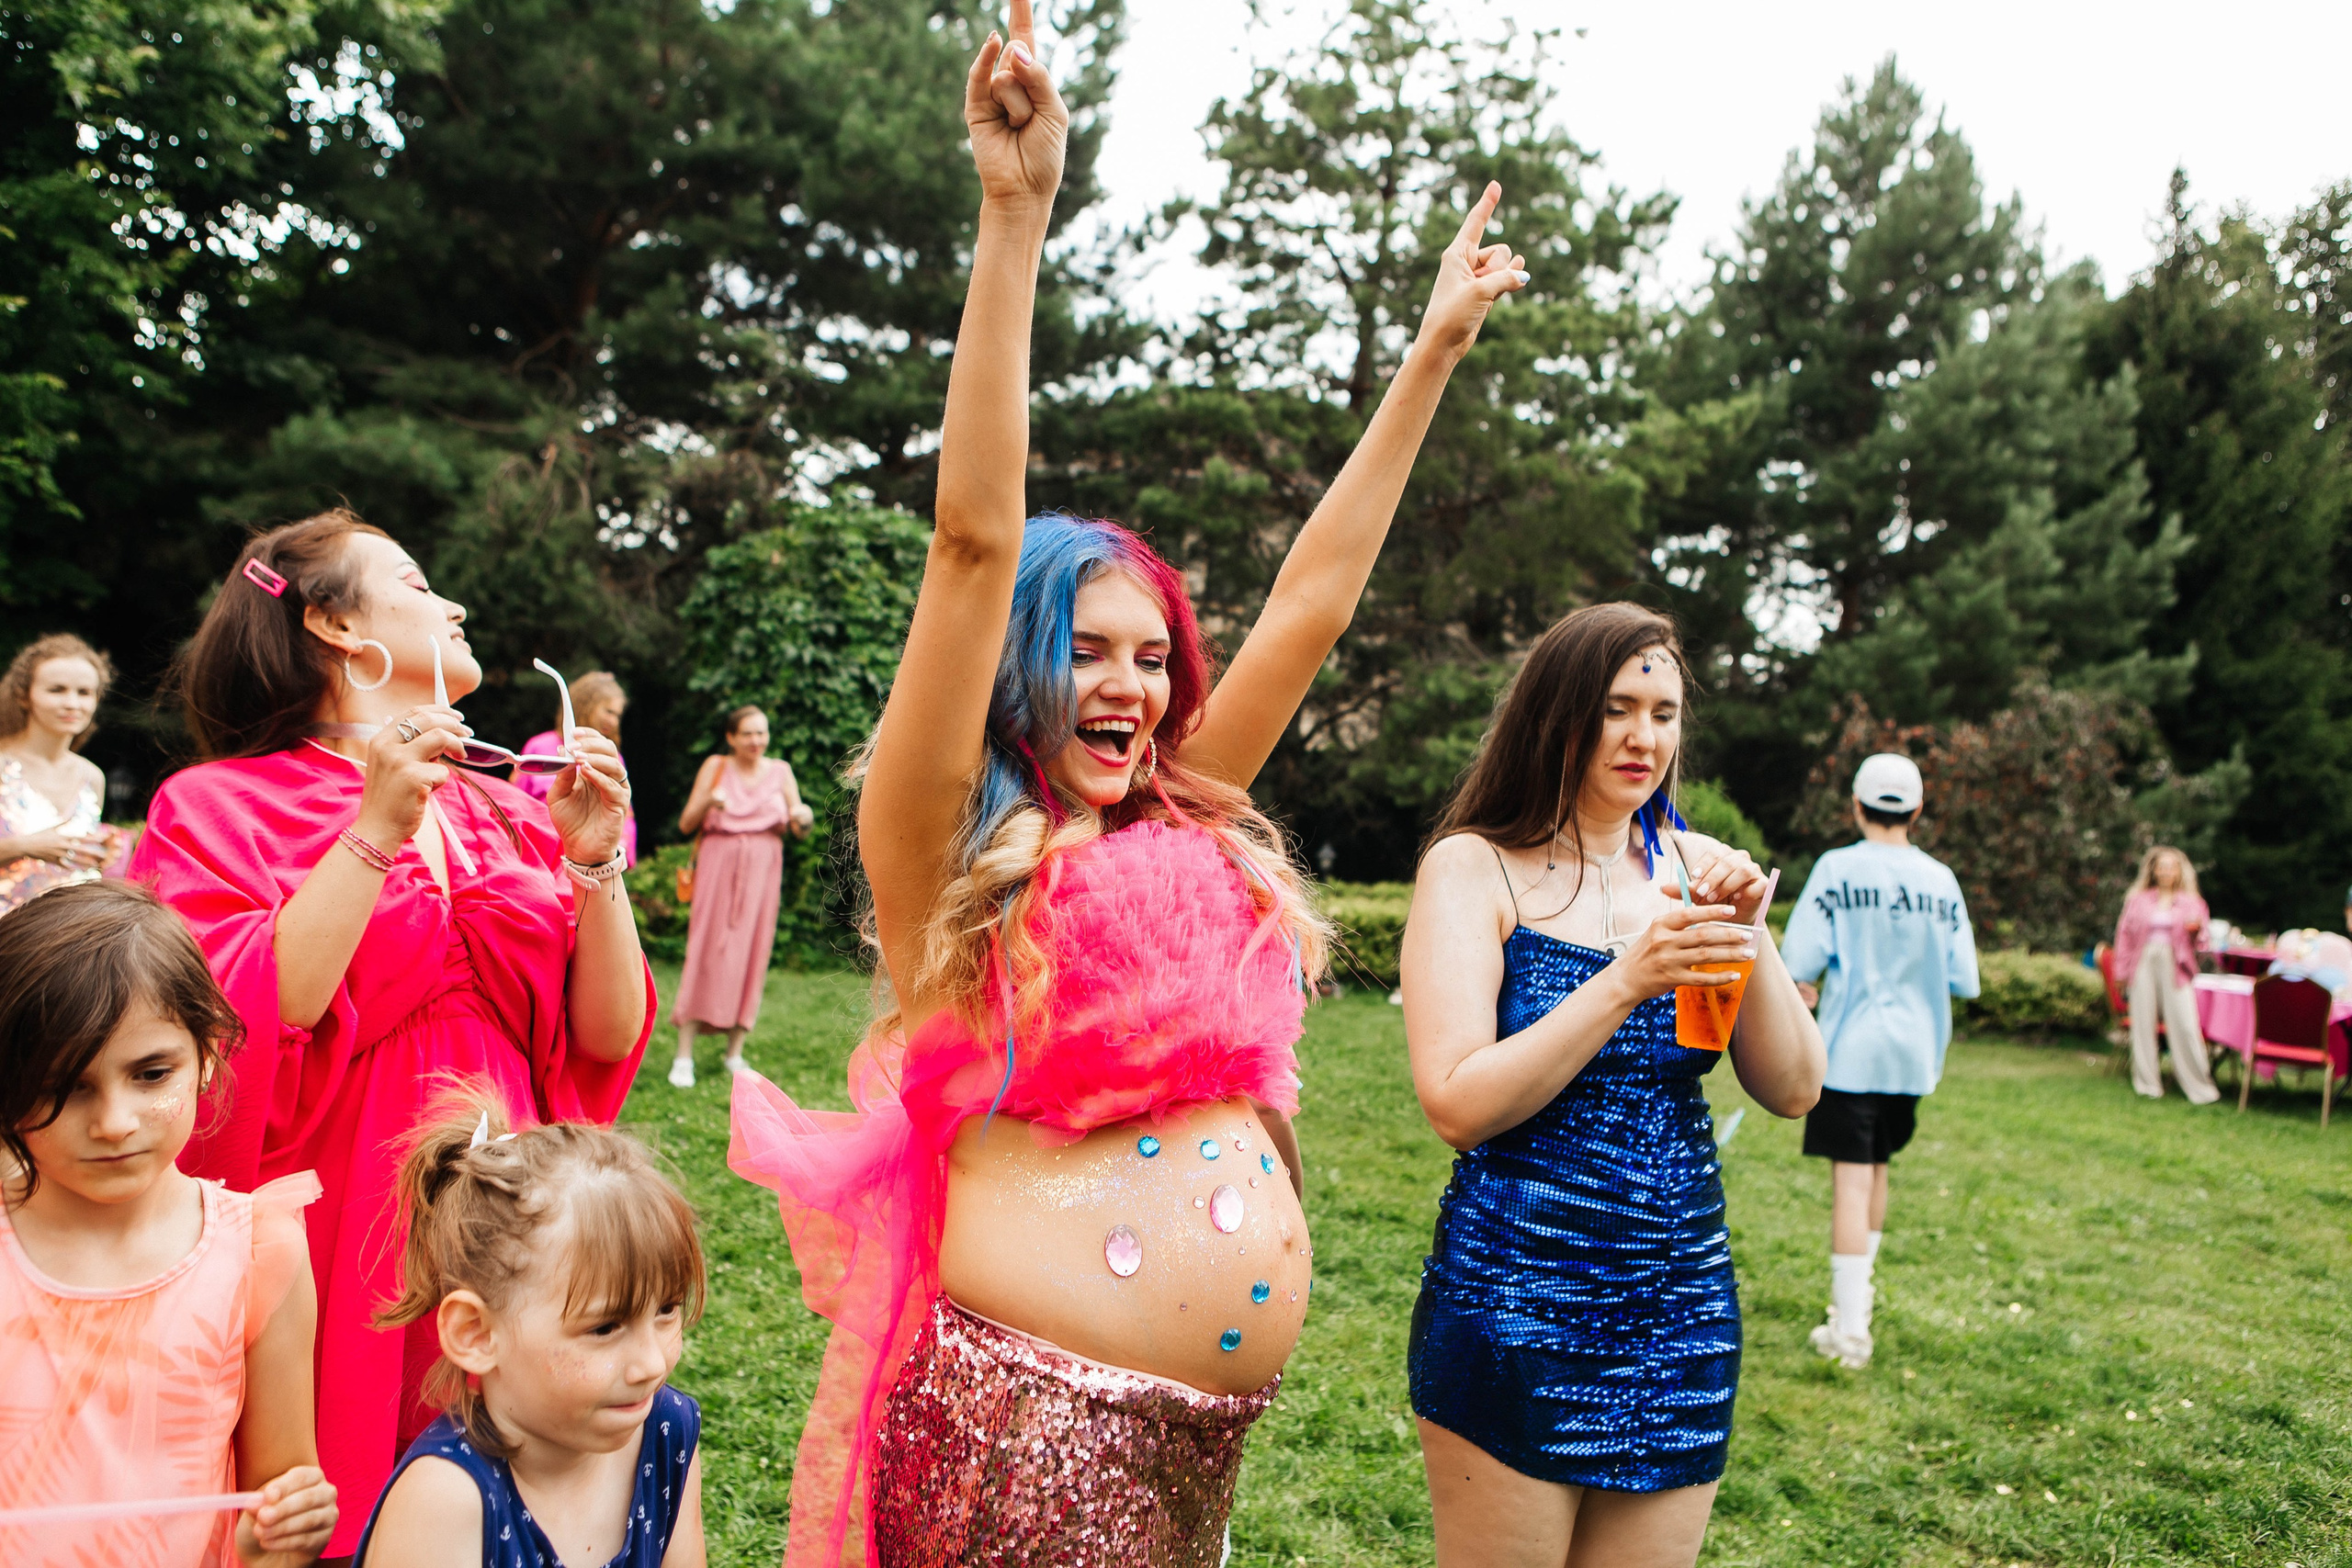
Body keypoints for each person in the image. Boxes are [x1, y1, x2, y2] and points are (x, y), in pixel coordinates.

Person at [725, 6, 1532, 1560]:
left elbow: (1314, 605)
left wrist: (1429, 358)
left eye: (1155, 657)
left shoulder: (1180, 812)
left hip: (1191, 1461)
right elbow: (969, 541)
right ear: (1021, 658)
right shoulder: (936, 850)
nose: (1134, 687)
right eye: (1091, 651)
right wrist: (1014, 216)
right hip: (1017, 1437)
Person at [128, 510, 653, 1559]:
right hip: (346, 1217)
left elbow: (606, 1032)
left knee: (514, 1497)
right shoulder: (215, 805)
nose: (454, 604)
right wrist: (373, 833)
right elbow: (241, 1023)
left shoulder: (503, 810)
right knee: (359, 1501)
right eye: (417, 583)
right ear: (331, 624)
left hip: (515, 1204)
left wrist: (594, 869)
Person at [1398, 604, 1826, 1568]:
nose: (1645, 736)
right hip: (1516, 1297)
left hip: (1681, 1300)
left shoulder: (1691, 870)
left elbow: (1795, 1087)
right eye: (1617, 708)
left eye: (1664, 713)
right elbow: (1457, 1104)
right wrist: (1626, 978)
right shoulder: (1474, 868)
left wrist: (1747, 925)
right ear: (1558, 715)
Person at [0, 880, 338, 1567]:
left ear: (207, 1053)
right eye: (64, 1087)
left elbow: (275, 1501)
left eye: (151, 1074)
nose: (114, 1122)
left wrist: (276, 1537)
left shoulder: (258, 1251)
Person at [350, 1095, 706, 1568]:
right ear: (476, 1333)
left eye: (666, 1310)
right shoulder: (445, 1502)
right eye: (604, 1328)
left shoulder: (666, 1429)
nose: (653, 1364)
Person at [1781, 752, 1981, 1371]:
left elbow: (1798, 963)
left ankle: (1849, 1330)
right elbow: (1964, 977)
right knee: (1878, 1169)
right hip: (1914, 1053)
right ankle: (1854, 1306)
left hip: (1849, 1048)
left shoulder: (1837, 869)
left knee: (1852, 1179)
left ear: (1856, 806)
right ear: (1916, 810)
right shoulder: (1941, 879)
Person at [667, 705, 812, 1088]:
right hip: (719, 864)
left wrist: (804, 816)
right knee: (707, 948)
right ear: (731, 737)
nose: (756, 741)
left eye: (761, 733)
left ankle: (735, 1050)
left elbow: (800, 825)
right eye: (747, 733)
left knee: (753, 950)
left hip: (765, 867)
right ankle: (684, 1055)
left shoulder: (781, 771)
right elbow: (686, 823)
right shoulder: (716, 766)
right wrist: (708, 803)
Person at [0, 633, 129, 911]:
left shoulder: (92, 776)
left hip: (69, 934)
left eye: (84, 693)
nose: (72, 703)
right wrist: (24, 846)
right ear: (24, 695)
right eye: (57, 690)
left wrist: (102, 854)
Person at [2113, 846, 2221, 1101]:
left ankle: (2199, 1087)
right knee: (2143, 1023)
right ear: (2153, 870)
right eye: (2161, 866)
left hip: (2176, 963)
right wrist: (2121, 971)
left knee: (2184, 1024)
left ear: (2179, 871)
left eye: (2171, 866)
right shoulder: (2137, 900)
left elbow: (2203, 943)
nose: (2165, 871)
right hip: (2143, 961)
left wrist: (2195, 933)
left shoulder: (2193, 902)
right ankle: (2148, 1084)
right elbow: (2124, 937)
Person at [512, 671, 638, 868]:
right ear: (584, 706)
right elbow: (512, 802)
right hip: (536, 861)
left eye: (618, 715)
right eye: (608, 711)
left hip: (590, 866)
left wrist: (619, 849)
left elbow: (624, 812)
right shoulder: (538, 746)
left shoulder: (610, 756)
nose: (613, 721)